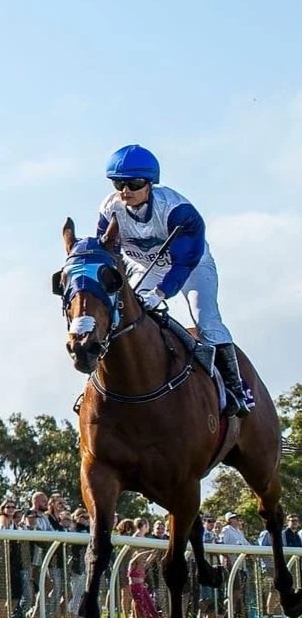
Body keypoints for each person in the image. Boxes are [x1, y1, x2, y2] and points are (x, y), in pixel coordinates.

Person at [97, 144, 250, 415]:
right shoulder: (110, 209)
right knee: (123, 316)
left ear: (150, 183)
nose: (125, 191)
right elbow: (108, 253)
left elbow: (184, 262)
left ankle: (236, 388)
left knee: (207, 320)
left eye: (133, 183)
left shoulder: (177, 211)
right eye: (118, 183)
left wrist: (161, 292)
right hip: (148, 266)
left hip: (191, 266)